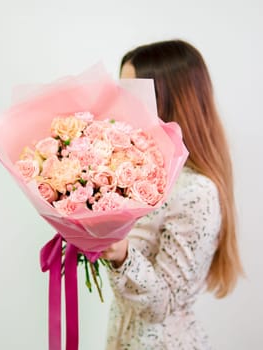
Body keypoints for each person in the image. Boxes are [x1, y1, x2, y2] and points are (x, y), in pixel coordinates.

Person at [100, 39, 244, 349]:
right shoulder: (141, 175)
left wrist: (122, 255)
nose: (123, 107)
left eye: (133, 95)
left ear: (171, 99)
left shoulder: (196, 191)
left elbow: (161, 306)